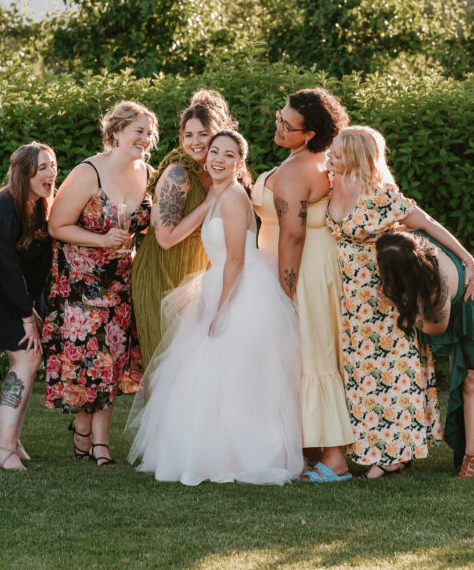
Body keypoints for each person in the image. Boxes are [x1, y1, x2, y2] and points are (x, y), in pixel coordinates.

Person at [127, 130, 303, 485]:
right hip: (218, 286)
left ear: (240, 163)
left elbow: (236, 260)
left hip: (240, 290)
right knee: (204, 375)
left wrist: (221, 311)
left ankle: (244, 454)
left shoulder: (236, 198)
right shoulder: (215, 195)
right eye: (214, 152)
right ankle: (204, 451)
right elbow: (174, 238)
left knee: (234, 376)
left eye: (228, 155)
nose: (218, 159)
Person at [326, 126, 474, 478]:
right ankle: (377, 448)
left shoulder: (382, 197)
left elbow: (429, 225)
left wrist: (467, 259)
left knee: (394, 374)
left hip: (385, 302)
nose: (329, 155)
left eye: (336, 151)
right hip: (351, 305)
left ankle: (395, 454)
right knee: (362, 377)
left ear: (357, 157)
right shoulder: (330, 183)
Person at [42, 101, 156, 466]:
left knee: (113, 363)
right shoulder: (88, 172)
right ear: (117, 132)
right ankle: (84, 432)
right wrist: (101, 240)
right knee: (92, 364)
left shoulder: (149, 174)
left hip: (123, 283)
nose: (145, 138)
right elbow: (57, 226)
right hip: (81, 285)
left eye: (149, 132)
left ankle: (97, 441)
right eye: (138, 130)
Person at [252, 87, 355, 483]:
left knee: (313, 354)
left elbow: (292, 236)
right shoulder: (313, 160)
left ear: (309, 133)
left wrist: (284, 290)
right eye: (280, 116)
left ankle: (335, 460)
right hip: (315, 264)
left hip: (303, 270)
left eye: (287, 124)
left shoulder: (298, 170)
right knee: (313, 353)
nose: (278, 125)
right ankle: (315, 447)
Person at [376, 230, 474, 478]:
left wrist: (397, 305)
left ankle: (473, 459)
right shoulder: (402, 241)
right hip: (458, 303)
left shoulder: (436, 284)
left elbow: (435, 327)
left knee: (472, 379)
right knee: (473, 379)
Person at [0, 143, 58, 471]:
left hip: (18, 297)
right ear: (25, 173)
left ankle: (11, 439)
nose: (51, 174)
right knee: (26, 357)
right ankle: (1, 448)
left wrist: (32, 308)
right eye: (43, 168)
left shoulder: (38, 205)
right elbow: (6, 270)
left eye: (52, 166)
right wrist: (25, 316)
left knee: (31, 358)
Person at [132, 91, 236, 367]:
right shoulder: (178, 173)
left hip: (194, 273)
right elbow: (164, 238)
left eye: (202, 134)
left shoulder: (216, 170)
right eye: (188, 135)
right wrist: (208, 204)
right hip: (161, 274)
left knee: (192, 367)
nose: (195, 142)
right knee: (165, 365)